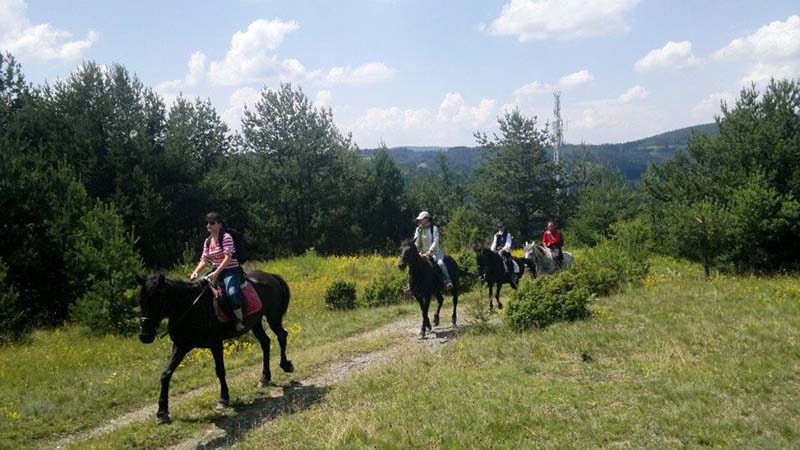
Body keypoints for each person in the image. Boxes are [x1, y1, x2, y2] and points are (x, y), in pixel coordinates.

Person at [190, 212, 246, 331]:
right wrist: (196, 272)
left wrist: (216, 273)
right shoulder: (208, 241)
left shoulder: (226, 237)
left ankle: (239, 319)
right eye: (207, 223)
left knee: (232, 293)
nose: (208, 225)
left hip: (231, 270)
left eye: (212, 223)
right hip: (216, 270)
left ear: (219, 224)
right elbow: (204, 260)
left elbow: (228, 258)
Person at [413, 211, 453, 290]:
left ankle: (448, 281)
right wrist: (416, 250)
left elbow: (436, 240)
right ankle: (410, 285)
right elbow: (416, 242)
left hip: (434, 253)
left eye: (421, 219)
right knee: (414, 265)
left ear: (427, 219)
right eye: (419, 220)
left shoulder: (433, 228)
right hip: (422, 253)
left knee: (441, 263)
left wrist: (430, 250)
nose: (419, 221)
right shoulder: (418, 229)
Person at [490, 222, 516, 288]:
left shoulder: (508, 235)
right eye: (499, 227)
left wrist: (502, 250)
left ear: (504, 227)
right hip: (497, 251)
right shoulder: (496, 235)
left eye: (501, 227)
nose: (500, 228)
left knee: (508, 261)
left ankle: (512, 276)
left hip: (505, 251)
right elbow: (494, 243)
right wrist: (492, 251)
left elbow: (508, 244)